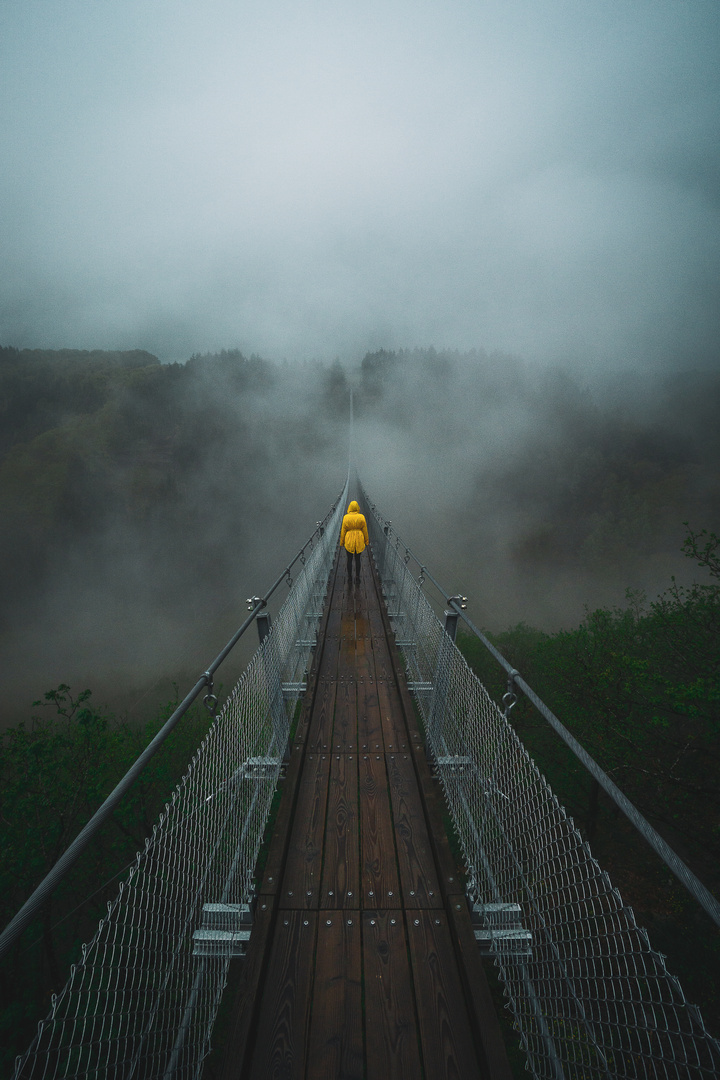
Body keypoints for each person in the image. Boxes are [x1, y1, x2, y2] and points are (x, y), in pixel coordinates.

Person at [340, 500, 369, 585]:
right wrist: (366, 541)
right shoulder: (361, 517)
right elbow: (365, 530)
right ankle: (357, 577)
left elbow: (343, 531)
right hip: (359, 540)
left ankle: (349, 577)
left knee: (349, 560)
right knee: (357, 559)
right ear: (357, 507)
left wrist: (342, 542)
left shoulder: (346, 517)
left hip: (349, 540)